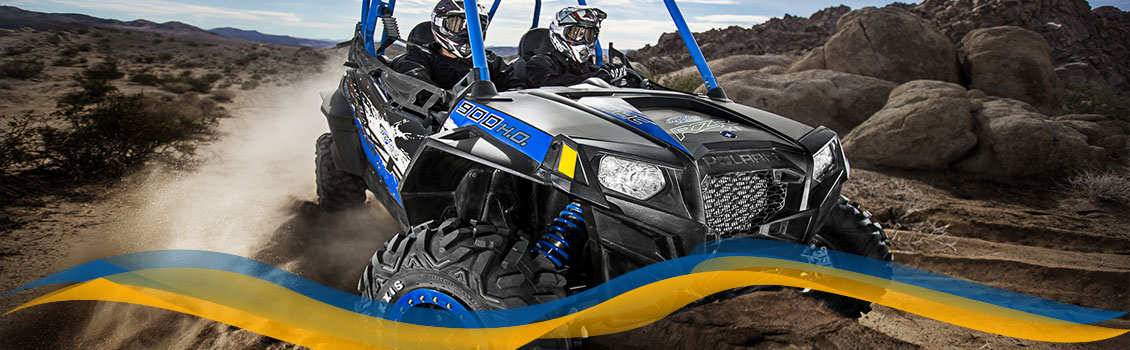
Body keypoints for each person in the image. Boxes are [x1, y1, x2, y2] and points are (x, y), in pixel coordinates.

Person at [393, 0, 523, 91]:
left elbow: (515, 88)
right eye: (456, 24)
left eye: (475, 26)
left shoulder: (489, 61)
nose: (466, 33)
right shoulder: (420, 58)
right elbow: (416, 86)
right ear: (440, 25)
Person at [524, 6, 626, 88]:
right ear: (560, 32)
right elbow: (550, 85)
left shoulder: (583, 66)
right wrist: (596, 78)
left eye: (588, 35)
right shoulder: (539, 63)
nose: (583, 40)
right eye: (576, 33)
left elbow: (598, 74)